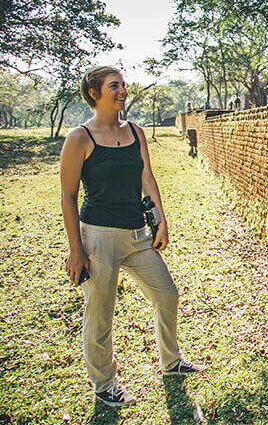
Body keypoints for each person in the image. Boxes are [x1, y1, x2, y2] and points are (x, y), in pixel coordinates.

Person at [60, 65, 205, 408]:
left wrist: (161, 221)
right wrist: (76, 250)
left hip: (137, 234)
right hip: (99, 238)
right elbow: (68, 196)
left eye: (124, 84)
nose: (123, 90)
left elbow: (148, 179)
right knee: (100, 315)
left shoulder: (135, 132)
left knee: (167, 295)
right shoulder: (80, 137)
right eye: (114, 86)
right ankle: (104, 383)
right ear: (95, 94)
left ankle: (171, 362)